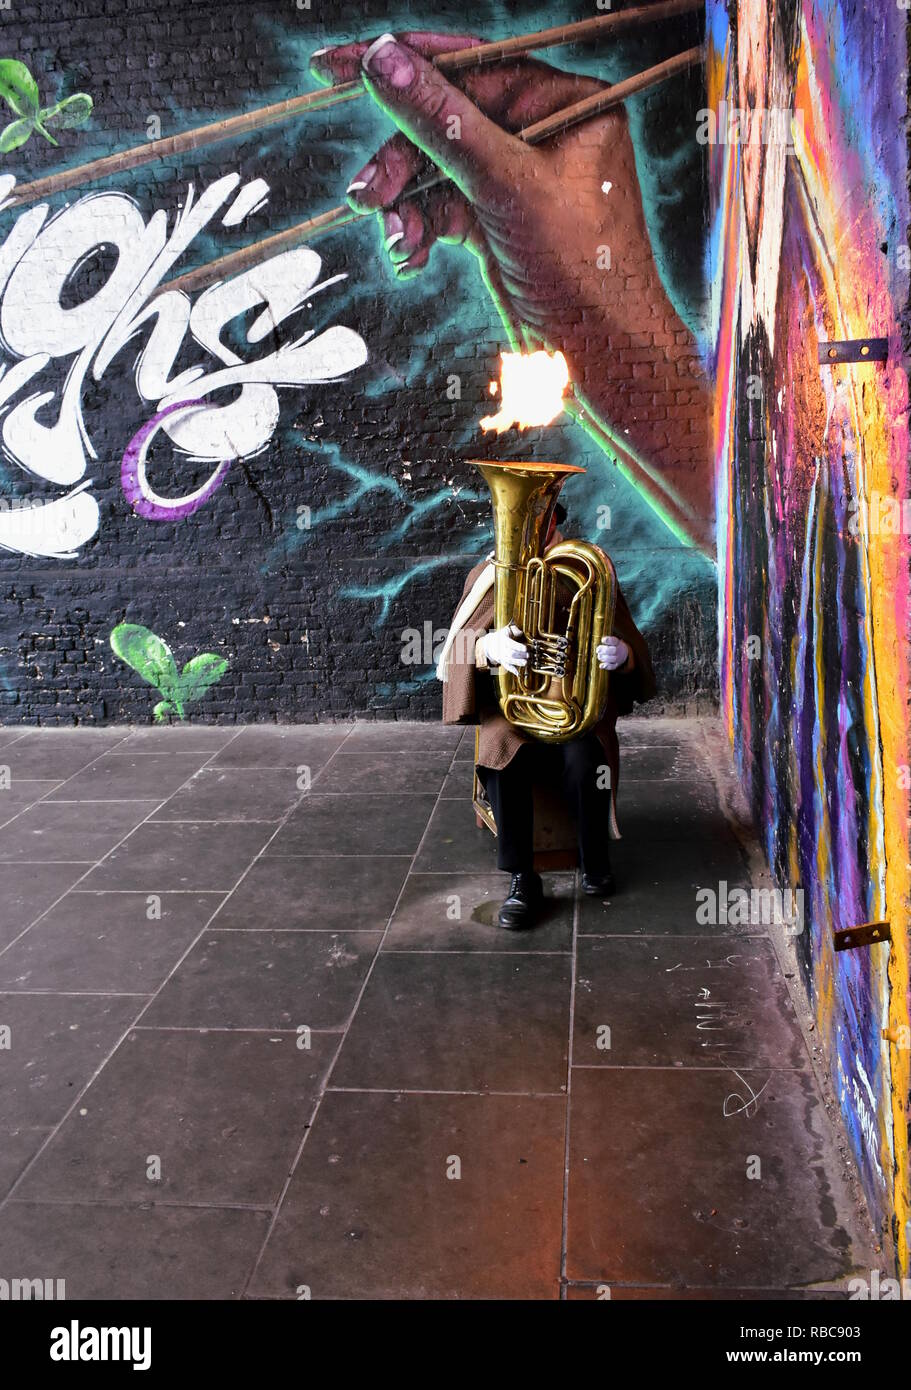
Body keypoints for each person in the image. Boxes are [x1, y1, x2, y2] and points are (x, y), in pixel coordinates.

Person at [437, 502, 656, 929]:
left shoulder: (587, 565)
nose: (526, 529)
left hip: (573, 705)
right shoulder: (488, 575)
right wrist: (487, 649)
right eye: (517, 518)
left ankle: (595, 858)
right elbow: (454, 651)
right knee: (505, 754)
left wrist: (625, 655)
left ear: (555, 519)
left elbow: (629, 634)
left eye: (540, 518)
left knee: (584, 760)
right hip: (514, 709)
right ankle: (522, 877)